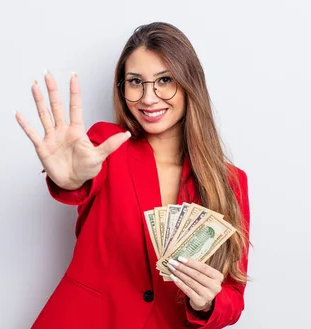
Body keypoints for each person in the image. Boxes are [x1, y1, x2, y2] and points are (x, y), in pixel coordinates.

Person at [15, 22, 251, 329]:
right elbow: (80, 181)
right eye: (135, 81)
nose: (148, 98)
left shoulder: (230, 182)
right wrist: (71, 179)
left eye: (164, 80)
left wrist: (208, 301)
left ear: (190, 83)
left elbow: (234, 293)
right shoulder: (108, 145)